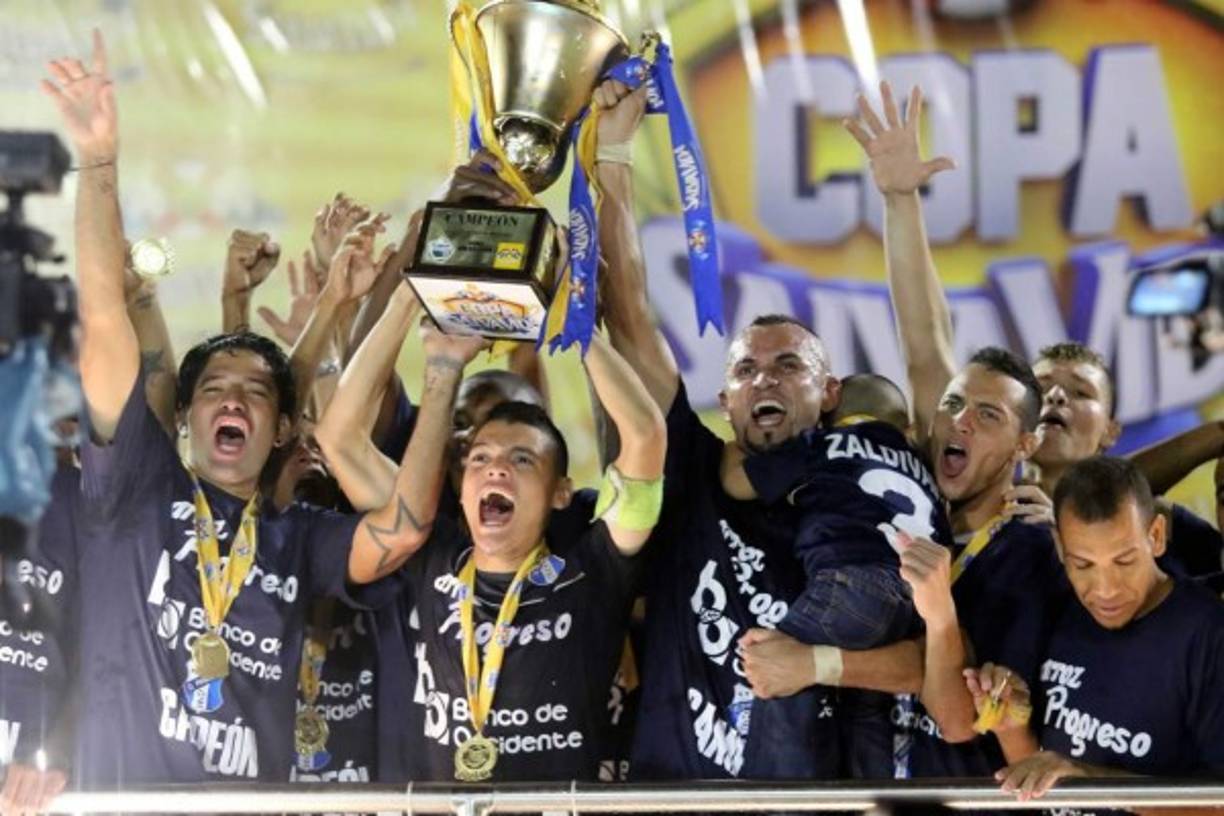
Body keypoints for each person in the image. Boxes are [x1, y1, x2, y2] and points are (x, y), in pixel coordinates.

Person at [40, 30, 458, 786]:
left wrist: (423, 334)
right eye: (214, 390)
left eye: (256, 392)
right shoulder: (135, 486)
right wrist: (99, 164)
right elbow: (105, 319)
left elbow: (402, 529)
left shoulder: (298, 536)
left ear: (283, 431)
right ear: (185, 419)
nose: (232, 398)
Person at [739, 82, 1063, 780]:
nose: (957, 422)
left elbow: (954, 697)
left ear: (1025, 447)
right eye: (951, 406)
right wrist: (899, 201)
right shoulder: (911, 495)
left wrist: (824, 662)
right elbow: (925, 340)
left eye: (988, 416)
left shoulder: (1029, 555)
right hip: (868, 782)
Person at [323, 323, 665, 782]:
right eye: (480, 458)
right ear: (462, 486)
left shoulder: (594, 572)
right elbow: (339, 441)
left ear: (561, 492)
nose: (497, 469)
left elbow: (645, 436)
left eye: (523, 459)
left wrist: (578, 328)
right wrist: (441, 361)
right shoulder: (427, 553)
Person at [720, 373, 953, 777]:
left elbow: (737, 484)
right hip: (916, 604)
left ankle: (770, 800)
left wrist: (732, 449)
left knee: (777, 670)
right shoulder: (926, 469)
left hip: (850, 587)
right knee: (868, 707)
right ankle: (868, 797)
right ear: (907, 427)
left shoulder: (822, 444)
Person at [994, 456, 1224, 801]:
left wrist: (1090, 779)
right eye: (1083, 564)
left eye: (1124, 561)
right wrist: (1010, 725)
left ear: (1156, 536)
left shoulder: (1207, 632)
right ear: (1060, 547)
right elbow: (1043, 782)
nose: (1105, 589)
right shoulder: (1059, 610)